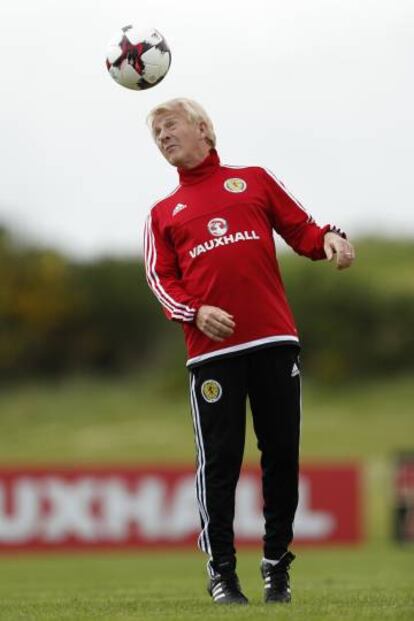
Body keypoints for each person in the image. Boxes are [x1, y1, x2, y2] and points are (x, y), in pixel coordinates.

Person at [143, 98, 355, 605]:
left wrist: (329, 238)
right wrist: (195, 312)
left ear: (203, 129)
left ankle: (277, 567)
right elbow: (160, 279)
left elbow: (301, 229)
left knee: (281, 454)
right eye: (156, 134)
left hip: (274, 341)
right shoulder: (161, 214)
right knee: (220, 462)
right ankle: (222, 575)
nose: (163, 138)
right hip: (211, 355)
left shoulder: (253, 180)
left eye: (170, 126)